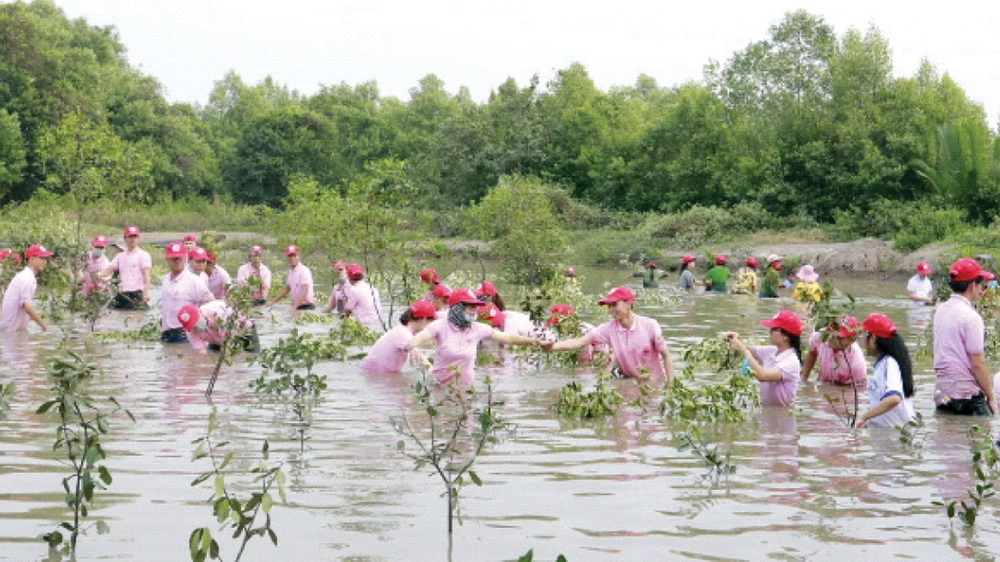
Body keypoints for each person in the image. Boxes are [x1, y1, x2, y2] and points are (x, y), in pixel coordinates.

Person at [406, 288, 545, 385]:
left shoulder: (477, 328)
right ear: (457, 308)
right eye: (470, 306)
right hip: (440, 386)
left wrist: (533, 341)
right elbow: (423, 336)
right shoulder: (441, 326)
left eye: (476, 306)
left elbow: (508, 338)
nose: (475, 310)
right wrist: (412, 346)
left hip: (466, 388)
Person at [546, 286, 675, 383]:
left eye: (614, 305)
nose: (611, 310)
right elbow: (579, 342)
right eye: (609, 306)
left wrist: (670, 385)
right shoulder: (609, 329)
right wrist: (551, 346)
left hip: (655, 383)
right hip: (631, 382)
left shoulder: (650, 325)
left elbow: (666, 355)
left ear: (628, 304)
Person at [932, 258, 998, 415]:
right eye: (982, 285)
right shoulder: (971, 317)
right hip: (966, 394)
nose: (982, 290)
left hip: (942, 392)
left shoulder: (941, 310)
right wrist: (991, 397)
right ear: (973, 285)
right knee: (982, 434)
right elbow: (978, 363)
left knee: (947, 435)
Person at [724, 310, 803, 407]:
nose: (770, 332)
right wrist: (734, 339)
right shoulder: (771, 351)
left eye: (774, 329)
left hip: (783, 416)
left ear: (786, 336)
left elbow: (763, 376)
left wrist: (744, 350)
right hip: (767, 410)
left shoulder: (791, 361)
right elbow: (749, 350)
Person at [855, 313, 915, 428]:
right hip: (890, 433)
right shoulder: (884, 364)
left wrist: (864, 416)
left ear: (873, 338)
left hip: (896, 435)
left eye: (866, 336)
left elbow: (894, 398)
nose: (863, 341)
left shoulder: (889, 364)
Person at [359, 301, 437, 374]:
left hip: (375, 374)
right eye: (430, 322)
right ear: (424, 319)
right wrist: (434, 374)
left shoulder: (403, 329)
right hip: (375, 376)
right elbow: (420, 357)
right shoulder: (403, 333)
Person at [160, 242, 214, 343]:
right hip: (166, 333)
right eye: (174, 258)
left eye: (180, 258)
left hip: (185, 334)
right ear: (167, 259)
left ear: (185, 258)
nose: (177, 261)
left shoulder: (194, 281)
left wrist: (201, 324)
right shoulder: (165, 279)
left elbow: (211, 304)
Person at [0, 244, 54, 332]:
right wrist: (45, 327)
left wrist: (36, 317)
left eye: (46, 259)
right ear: (31, 259)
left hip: (12, 330)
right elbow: (27, 307)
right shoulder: (27, 278)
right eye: (41, 258)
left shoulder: (26, 276)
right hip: (10, 331)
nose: (45, 262)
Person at [802, 316, 867, 385]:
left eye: (839, 337)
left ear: (851, 340)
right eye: (831, 332)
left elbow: (857, 391)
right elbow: (812, 353)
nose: (831, 338)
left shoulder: (857, 364)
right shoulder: (820, 336)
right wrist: (804, 378)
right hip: (823, 380)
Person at [177, 300, 259, 353]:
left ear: (200, 313)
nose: (196, 327)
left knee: (253, 355)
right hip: (217, 339)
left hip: (242, 329)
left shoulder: (216, 312)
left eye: (196, 323)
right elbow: (201, 352)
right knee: (213, 357)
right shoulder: (190, 330)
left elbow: (227, 343)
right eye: (193, 326)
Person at [101, 226, 152, 309]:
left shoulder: (143, 255)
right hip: (122, 294)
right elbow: (107, 271)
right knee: (109, 310)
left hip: (136, 293)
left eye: (135, 237)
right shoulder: (120, 256)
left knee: (134, 314)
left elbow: (147, 275)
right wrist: (96, 275)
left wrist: (146, 293)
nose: (132, 239)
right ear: (125, 239)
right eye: (130, 237)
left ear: (138, 238)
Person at [267, 245, 315, 310]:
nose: (292, 258)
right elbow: (287, 289)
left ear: (298, 256)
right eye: (290, 256)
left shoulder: (304, 271)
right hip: (296, 306)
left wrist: (295, 306)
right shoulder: (291, 272)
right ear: (287, 257)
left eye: (294, 255)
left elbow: (305, 291)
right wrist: (273, 302)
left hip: (306, 306)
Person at [342, 263, 383, 331]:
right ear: (363, 276)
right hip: (377, 323)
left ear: (348, 277)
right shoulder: (372, 288)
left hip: (364, 325)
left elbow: (346, 311)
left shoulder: (353, 290)